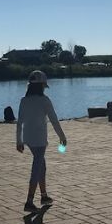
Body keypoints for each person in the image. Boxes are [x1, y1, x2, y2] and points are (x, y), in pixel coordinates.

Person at [16, 70, 66, 213]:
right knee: (37, 168)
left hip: (28, 139)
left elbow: (19, 122)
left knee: (41, 166)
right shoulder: (44, 100)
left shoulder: (23, 100)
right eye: (44, 85)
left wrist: (19, 141)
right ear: (42, 85)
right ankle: (29, 201)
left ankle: (44, 196)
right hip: (40, 140)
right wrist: (62, 137)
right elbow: (54, 120)